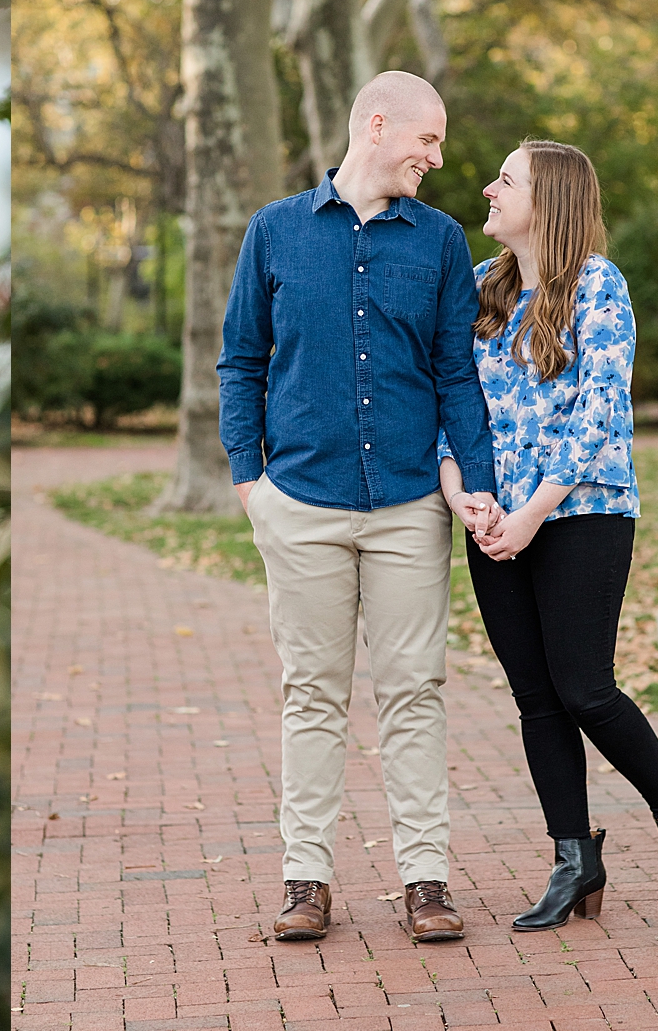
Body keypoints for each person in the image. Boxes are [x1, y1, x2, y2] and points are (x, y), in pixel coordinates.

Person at [219, 70, 500, 944]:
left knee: (415, 691)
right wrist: (248, 483)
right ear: (379, 126)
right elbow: (241, 362)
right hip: (298, 502)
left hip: (411, 505)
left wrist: (477, 481)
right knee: (313, 695)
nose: (438, 157)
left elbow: (458, 371)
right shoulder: (274, 233)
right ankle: (306, 880)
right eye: (429, 140)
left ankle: (425, 880)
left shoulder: (442, 241)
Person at [440, 139, 658, 931]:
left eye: (506, 180)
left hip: (582, 514)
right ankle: (575, 860)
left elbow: (600, 414)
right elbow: (454, 405)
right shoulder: (478, 290)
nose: (489, 190)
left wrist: (532, 513)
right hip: (496, 522)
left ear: (549, 200)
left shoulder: (598, 286)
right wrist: (467, 497)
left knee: (584, 688)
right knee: (534, 697)